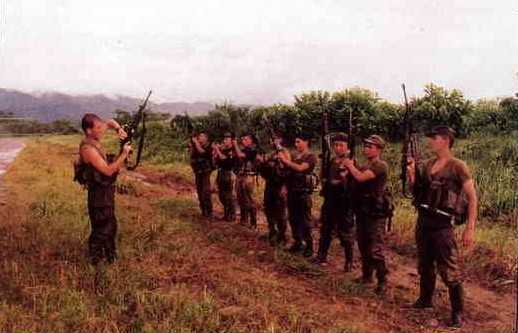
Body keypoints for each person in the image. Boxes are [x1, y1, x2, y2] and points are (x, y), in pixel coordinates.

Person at [407, 126, 477, 328]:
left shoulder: (458, 166)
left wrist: (469, 228)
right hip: (424, 220)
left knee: (449, 269)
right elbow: (417, 191)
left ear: (446, 140)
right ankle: (425, 300)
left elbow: (472, 198)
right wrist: (412, 175)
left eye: (434, 138)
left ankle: (457, 313)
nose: (431, 141)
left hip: (443, 224)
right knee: (425, 264)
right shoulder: (428, 164)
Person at [75, 113, 130, 265]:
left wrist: (119, 129)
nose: (102, 130)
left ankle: (110, 258)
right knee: (101, 228)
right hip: (98, 195)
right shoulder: (88, 149)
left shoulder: (96, 134)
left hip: (105, 192)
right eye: (98, 128)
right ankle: (95, 263)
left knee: (111, 225)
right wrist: (124, 154)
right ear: (88, 131)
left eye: (101, 126)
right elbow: (108, 171)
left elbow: (110, 122)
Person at [343, 135, 390, 294]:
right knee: (363, 244)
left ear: (378, 149)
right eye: (366, 146)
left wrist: (350, 166)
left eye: (370, 147)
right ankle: (367, 276)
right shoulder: (366, 165)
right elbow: (353, 179)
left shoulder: (380, 165)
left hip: (375, 212)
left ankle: (382, 281)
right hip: (363, 209)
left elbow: (361, 178)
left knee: (375, 247)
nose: (367, 149)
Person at [313, 133, 355, 271]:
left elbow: (352, 183)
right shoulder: (332, 161)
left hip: (344, 202)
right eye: (335, 145)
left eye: (341, 145)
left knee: (345, 233)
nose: (338, 148)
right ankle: (321, 255)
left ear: (347, 147)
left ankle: (349, 261)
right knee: (325, 229)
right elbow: (325, 178)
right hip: (330, 200)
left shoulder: (351, 162)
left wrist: (340, 180)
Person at [279, 134, 317, 257]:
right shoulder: (295, 156)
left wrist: (286, 161)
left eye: (299, 141)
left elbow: (301, 168)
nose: (296, 144)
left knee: (305, 221)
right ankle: (298, 242)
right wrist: (285, 186)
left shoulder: (310, 156)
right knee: (293, 219)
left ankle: (309, 246)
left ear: (306, 142)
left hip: (303, 192)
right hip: (292, 191)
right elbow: (289, 173)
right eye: (295, 142)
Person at [257, 135, 289, 245]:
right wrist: (262, 162)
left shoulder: (284, 152)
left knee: (280, 212)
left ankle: (282, 236)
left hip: (280, 186)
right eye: (272, 139)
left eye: (275, 139)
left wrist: (285, 186)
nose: (272, 141)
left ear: (280, 140)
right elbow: (265, 170)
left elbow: (288, 169)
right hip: (270, 184)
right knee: (269, 209)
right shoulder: (271, 153)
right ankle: (272, 232)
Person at [234, 133, 259, 228]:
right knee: (240, 199)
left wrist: (235, 144)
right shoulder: (245, 149)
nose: (243, 141)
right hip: (241, 175)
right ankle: (244, 219)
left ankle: (253, 222)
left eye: (245, 139)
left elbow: (241, 155)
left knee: (249, 199)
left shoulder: (253, 150)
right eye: (243, 139)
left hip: (248, 177)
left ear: (251, 140)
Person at [212, 132, 237, 221]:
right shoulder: (223, 149)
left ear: (231, 141)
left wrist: (217, 150)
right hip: (221, 172)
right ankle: (227, 214)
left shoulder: (232, 150)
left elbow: (224, 159)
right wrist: (216, 151)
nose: (224, 141)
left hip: (228, 173)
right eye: (224, 139)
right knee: (221, 195)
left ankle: (232, 215)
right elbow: (216, 161)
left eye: (227, 139)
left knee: (228, 195)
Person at [189, 131, 214, 218]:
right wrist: (193, 145)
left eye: (202, 136)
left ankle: (210, 212)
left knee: (206, 192)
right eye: (199, 137)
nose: (200, 138)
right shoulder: (196, 146)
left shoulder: (209, 146)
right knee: (199, 192)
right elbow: (192, 155)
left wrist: (196, 142)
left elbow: (202, 152)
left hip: (206, 171)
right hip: (198, 171)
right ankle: (204, 211)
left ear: (206, 138)